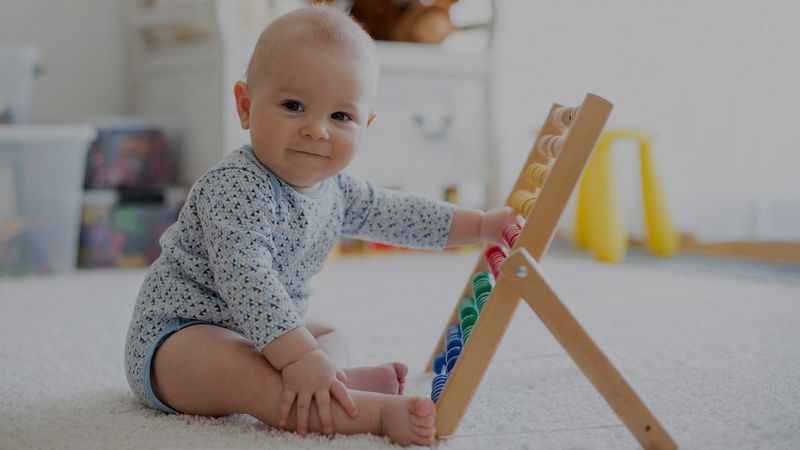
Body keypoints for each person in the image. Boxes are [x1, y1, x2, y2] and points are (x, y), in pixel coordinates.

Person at [124, 5, 517, 446]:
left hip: (258, 333)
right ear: (246, 106)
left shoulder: (337, 189)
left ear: (365, 124)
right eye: (294, 106)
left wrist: (482, 225)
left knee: (326, 332)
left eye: (340, 117)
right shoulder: (234, 187)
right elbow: (247, 282)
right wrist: (298, 357)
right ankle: (376, 414)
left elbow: (401, 214)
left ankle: (335, 380)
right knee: (254, 377)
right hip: (176, 340)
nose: (316, 130)